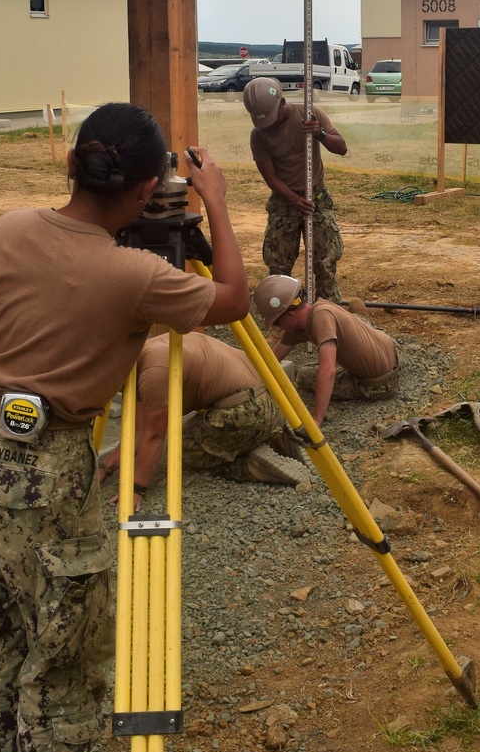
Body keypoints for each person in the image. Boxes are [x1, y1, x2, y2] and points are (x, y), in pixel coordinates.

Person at [0, 103, 248, 752]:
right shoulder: (135, 275)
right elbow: (236, 299)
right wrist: (219, 205)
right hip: (44, 470)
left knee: (4, 630)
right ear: (147, 191)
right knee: (65, 647)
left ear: (71, 164)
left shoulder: (6, 229)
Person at [97, 330, 309, 502]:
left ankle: (249, 463)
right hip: (270, 404)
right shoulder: (154, 348)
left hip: (244, 414)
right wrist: (106, 467)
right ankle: (274, 438)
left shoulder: (153, 373)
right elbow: (137, 431)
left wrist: (136, 489)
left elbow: (152, 436)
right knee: (196, 427)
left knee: (180, 449)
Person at [243, 76, 347, 301]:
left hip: (316, 197)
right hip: (283, 201)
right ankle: (283, 311)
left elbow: (341, 148)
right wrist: (293, 199)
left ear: (281, 102)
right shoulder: (258, 135)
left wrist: (319, 133)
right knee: (278, 264)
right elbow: (270, 177)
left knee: (325, 260)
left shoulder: (309, 114)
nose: (268, 124)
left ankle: (328, 311)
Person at [254, 274, 399, 427]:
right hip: (393, 349)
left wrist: (316, 419)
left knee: (304, 374)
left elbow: (328, 371)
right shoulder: (318, 308)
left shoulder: (321, 319)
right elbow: (272, 359)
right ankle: (359, 318)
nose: (278, 328)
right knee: (350, 324)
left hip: (380, 383)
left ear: (290, 315)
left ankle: (356, 326)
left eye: (276, 323)